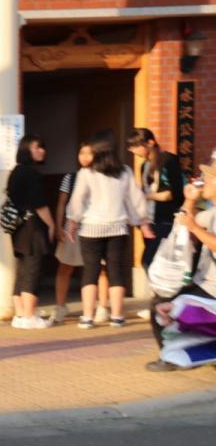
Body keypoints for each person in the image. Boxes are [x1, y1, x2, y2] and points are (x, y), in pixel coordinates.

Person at [65, 129, 154, 329]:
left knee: (90, 271)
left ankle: (87, 317)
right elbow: (135, 199)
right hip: (118, 227)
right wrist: (142, 222)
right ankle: (116, 316)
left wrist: (72, 222)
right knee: (116, 272)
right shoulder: (125, 172)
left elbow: (77, 200)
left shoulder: (86, 173)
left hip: (91, 228)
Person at [147, 161, 216, 371]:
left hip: (212, 288)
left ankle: (174, 357)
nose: (203, 182)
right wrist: (189, 199)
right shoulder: (212, 211)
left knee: (168, 307)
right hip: (205, 283)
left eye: (209, 178)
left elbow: (194, 227)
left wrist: (194, 227)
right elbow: (184, 221)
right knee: (166, 306)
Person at [128, 127, 187, 321]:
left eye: (136, 146)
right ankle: (159, 301)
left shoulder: (169, 160)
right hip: (150, 219)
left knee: (153, 261)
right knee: (151, 261)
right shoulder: (144, 166)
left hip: (167, 219)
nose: (134, 151)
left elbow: (175, 192)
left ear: (150, 142)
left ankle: (163, 301)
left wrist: (147, 195)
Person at [52, 143, 110, 323]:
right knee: (65, 266)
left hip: (96, 226)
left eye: (89, 153)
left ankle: (102, 307)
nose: (84, 156)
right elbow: (62, 202)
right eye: (81, 152)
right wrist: (58, 226)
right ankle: (60, 307)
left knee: (100, 269)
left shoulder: (104, 176)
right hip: (73, 227)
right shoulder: (70, 177)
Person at [6, 134, 55, 329]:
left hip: (18, 227)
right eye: (37, 147)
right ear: (27, 150)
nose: (42, 151)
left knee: (23, 269)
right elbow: (39, 204)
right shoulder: (31, 174)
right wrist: (51, 224)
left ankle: (20, 315)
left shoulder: (16, 171)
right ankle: (29, 317)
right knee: (33, 269)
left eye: (42, 147)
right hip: (33, 227)